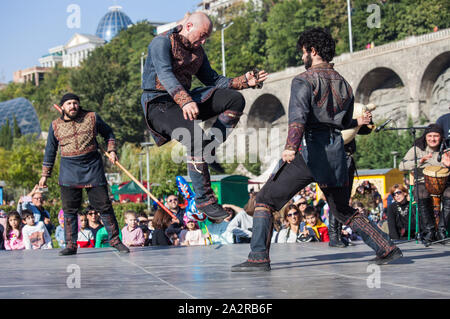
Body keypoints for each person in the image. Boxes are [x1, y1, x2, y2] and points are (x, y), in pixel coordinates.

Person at [232, 28, 401, 272]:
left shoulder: (303, 80)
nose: (302, 57)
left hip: (309, 151)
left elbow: (298, 118)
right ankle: (387, 248)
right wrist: (358, 123)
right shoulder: (343, 83)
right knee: (342, 209)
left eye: (303, 52)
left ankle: (258, 258)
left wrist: (290, 147)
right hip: (335, 152)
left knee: (265, 200)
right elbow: (343, 124)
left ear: (312, 51)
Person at [141, 12, 267, 221]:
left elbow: (214, 79)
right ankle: (204, 200)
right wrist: (184, 100)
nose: (203, 41)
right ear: (188, 26)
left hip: (185, 100)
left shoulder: (198, 52)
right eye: (201, 35)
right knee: (195, 139)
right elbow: (165, 73)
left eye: (206, 37)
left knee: (234, 100)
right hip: (159, 104)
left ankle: (208, 146)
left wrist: (244, 81)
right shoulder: (160, 42)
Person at [39, 93, 129, 255]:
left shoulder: (92, 117)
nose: (73, 106)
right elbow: (50, 151)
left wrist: (112, 150)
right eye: (69, 104)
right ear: (63, 107)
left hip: (93, 169)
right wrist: (45, 175)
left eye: (75, 103)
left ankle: (115, 241)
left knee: (104, 206)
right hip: (68, 172)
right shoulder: (55, 126)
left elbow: (108, 133)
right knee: (69, 211)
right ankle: (71, 245)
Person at [399, 123, 449, 245]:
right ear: (425, 136)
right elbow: (401, 166)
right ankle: (429, 231)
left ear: (441, 137)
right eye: (430, 136)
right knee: (422, 194)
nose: (432, 139)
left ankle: (442, 230)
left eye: (436, 136)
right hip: (422, 182)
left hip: (444, 182)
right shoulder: (417, 148)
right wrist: (419, 161)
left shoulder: (446, 148)